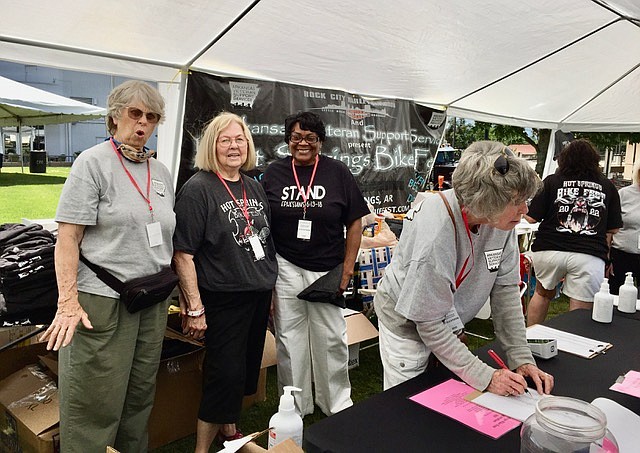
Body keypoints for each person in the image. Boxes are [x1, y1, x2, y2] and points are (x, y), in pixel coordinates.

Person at [40, 80, 175, 452]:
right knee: (95, 399)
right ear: (114, 117)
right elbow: (67, 237)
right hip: (102, 300)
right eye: (135, 113)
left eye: (151, 116)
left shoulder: (160, 171)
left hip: (151, 298)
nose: (143, 123)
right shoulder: (93, 162)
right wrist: (67, 302)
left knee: (139, 395)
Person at [374, 141, 554, 397]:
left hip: (442, 317)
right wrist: (484, 376)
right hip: (407, 326)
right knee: (408, 403)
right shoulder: (436, 231)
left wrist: (520, 357)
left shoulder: (501, 224)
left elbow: (505, 291)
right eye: (517, 201)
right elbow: (428, 323)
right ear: (486, 201)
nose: (525, 210)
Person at [172, 112, 277, 453]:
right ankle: (202, 449)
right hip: (222, 299)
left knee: (243, 371)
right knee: (223, 376)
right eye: (225, 140)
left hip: (256, 295)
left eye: (240, 139)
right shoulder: (198, 189)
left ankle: (229, 432)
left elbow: (264, 242)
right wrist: (194, 307)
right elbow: (183, 254)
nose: (234, 146)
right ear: (211, 146)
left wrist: (270, 290)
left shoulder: (253, 185)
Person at [262, 111, 369, 417]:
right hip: (286, 266)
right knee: (288, 339)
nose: (303, 143)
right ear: (288, 141)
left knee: (331, 338)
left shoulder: (337, 172)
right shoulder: (274, 174)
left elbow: (355, 223)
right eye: (296, 137)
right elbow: (263, 223)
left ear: (321, 141)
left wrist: (348, 268)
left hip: (327, 269)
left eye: (310, 137)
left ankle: (335, 403)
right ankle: (296, 407)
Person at [525, 139, 622, 326]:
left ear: (564, 159)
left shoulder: (552, 181)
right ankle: (573, 347)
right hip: (588, 254)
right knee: (580, 307)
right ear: (595, 160)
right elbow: (614, 228)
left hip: (549, 249)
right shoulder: (607, 186)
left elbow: (531, 218)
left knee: (542, 294)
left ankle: (530, 338)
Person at [608, 158, 640, 294]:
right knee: (616, 299)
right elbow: (609, 227)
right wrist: (607, 258)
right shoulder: (623, 194)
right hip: (621, 256)